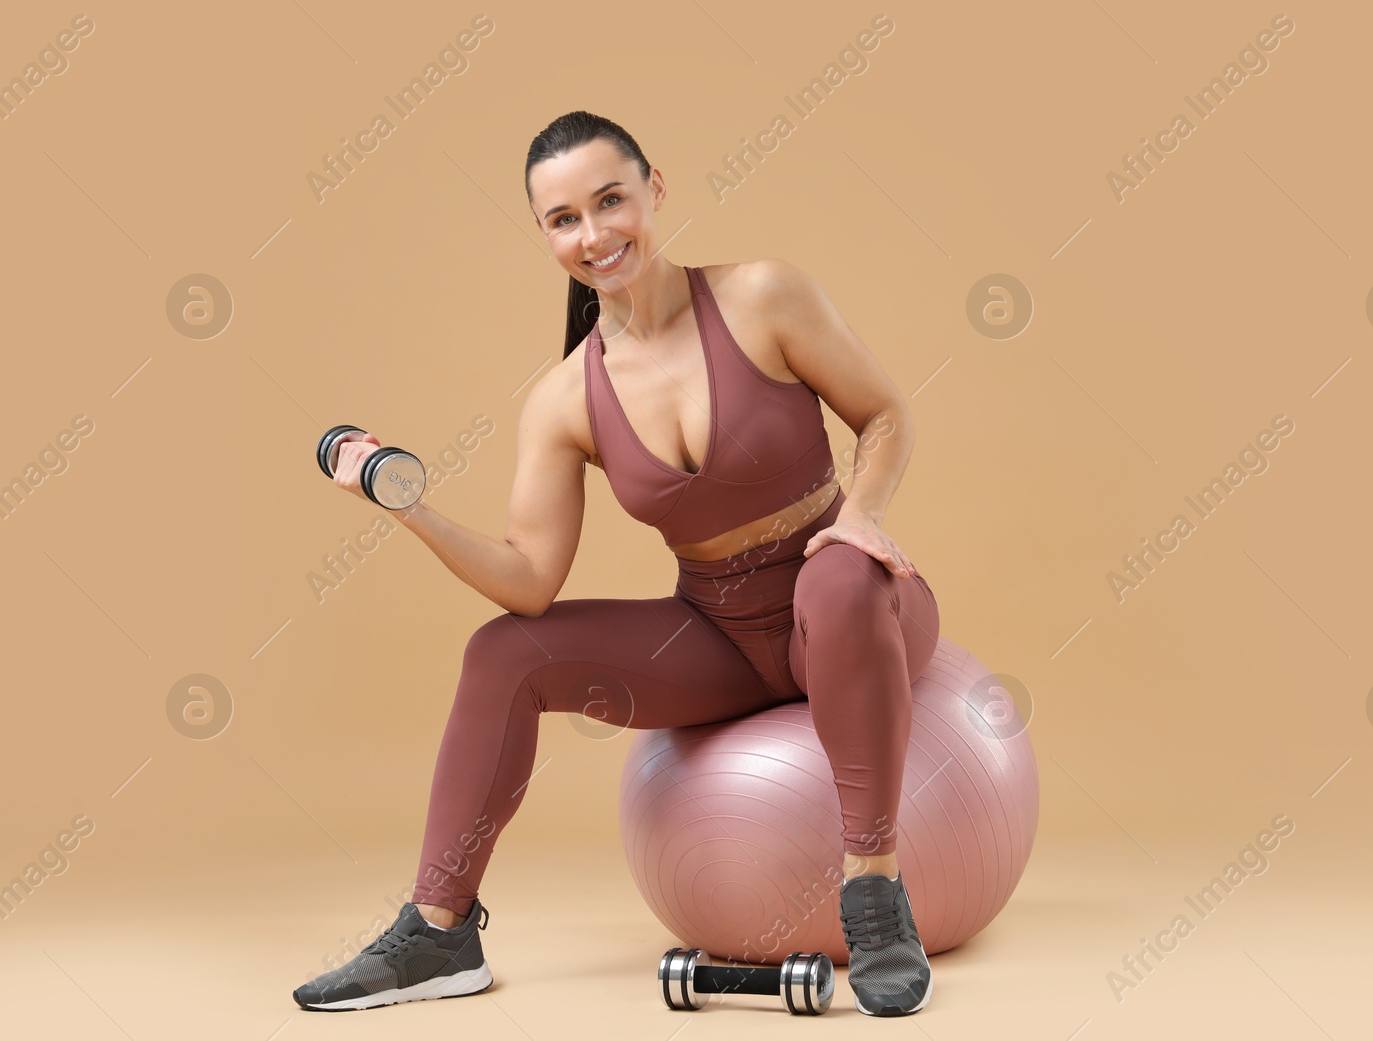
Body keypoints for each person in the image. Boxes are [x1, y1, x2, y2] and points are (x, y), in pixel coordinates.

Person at [292, 110, 941, 1017]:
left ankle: (874, 893)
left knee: (831, 576)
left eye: (610, 201)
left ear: (655, 190)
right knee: (500, 652)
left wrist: (861, 518)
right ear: (545, 235)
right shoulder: (564, 398)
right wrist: (409, 509)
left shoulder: (763, 296)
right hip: (721, 635)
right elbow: (530, 580)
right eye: (564, 219)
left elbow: (885, 415)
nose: (594, 235)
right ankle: (439, 930)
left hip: (854, 606)